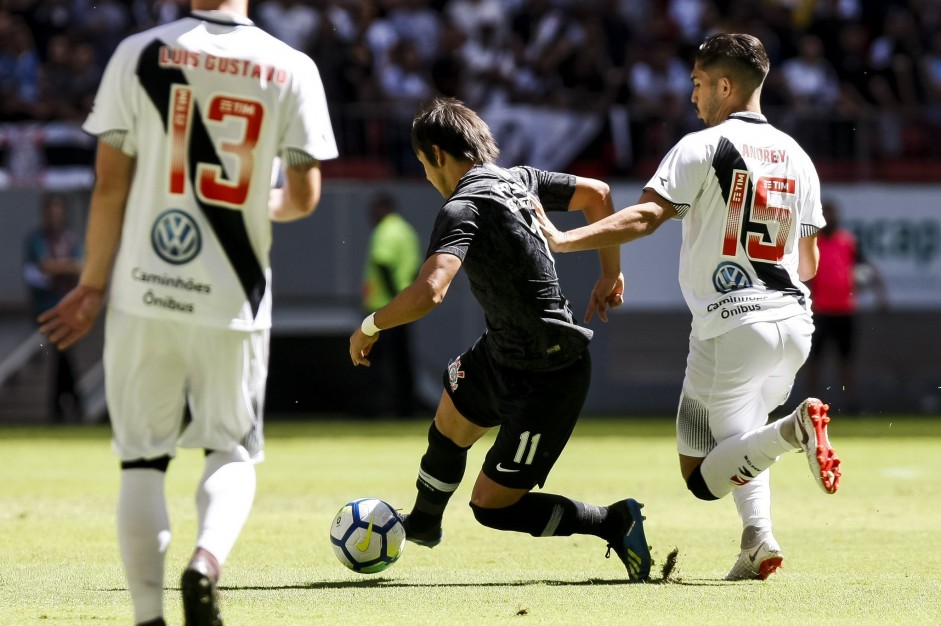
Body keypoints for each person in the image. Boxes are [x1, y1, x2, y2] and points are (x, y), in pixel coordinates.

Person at [36, 2, 338, 625]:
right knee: (230, 451)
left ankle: (149, 616)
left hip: (143, 289)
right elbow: (304, 199)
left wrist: (91, 285)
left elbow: (110, 185)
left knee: (142, 460)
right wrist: (256, 202)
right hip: (234, 296)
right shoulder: (292, 67)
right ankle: (205, 563)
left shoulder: (138, 54)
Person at [534, 34, 842, 581]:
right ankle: (758, 540)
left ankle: (795, 430)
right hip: (795, 324)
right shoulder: (800, 155)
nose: (692, 95)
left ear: (725, 86)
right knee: (743, 439)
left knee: (701, 474)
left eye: (699, 84)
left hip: (731, 325)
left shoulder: (701, 147)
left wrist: (562, 241)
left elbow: (646, 217)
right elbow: (810, 262)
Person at [349, 96, 652, 582]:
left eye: (425, 166)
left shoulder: (462, 206)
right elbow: (598, 192)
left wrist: (370, 326)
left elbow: (431, 291)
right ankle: (424, 523)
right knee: (450, 416)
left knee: (492, 506)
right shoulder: (518, 179)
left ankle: (614, 521)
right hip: (504, 351)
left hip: (550, 375)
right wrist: (609, 273)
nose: (427, 177)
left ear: (437, 155)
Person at [805, 200, 888, 414]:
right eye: (826, 214)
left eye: (833, 213)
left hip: (844, 310)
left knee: (847, 358)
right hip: (820, 310)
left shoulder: (848, 242)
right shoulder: (813, 243)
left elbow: (868, 268)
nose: (830, 218)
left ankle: (851, 403)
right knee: (815, 359)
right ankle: (809, 406)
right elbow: (804, 274)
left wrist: (881, 295)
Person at [361, 192, 424, 417]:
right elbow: (415, 269)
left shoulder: (385, 231)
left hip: (384, 308)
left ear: (383, 209)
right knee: (403, 360)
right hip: (405, 308)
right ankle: (405, 408)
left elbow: (382, 263)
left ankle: (380, 409)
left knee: (378, 362)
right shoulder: (406, 231)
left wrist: (393, 302)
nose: (371, 216)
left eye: (374, 210)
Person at [23, 193, 84, 422]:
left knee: (62, 355)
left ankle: (61, 405)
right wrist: (65, 267)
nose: (54, 214)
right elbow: (45, 266)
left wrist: (59, 267)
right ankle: (72, 403)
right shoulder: (36, 239)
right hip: (47, 309)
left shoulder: (69, 238)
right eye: (51, 210)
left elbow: (80, 267)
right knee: (61, 354)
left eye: (58, 210)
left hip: (68, 308)